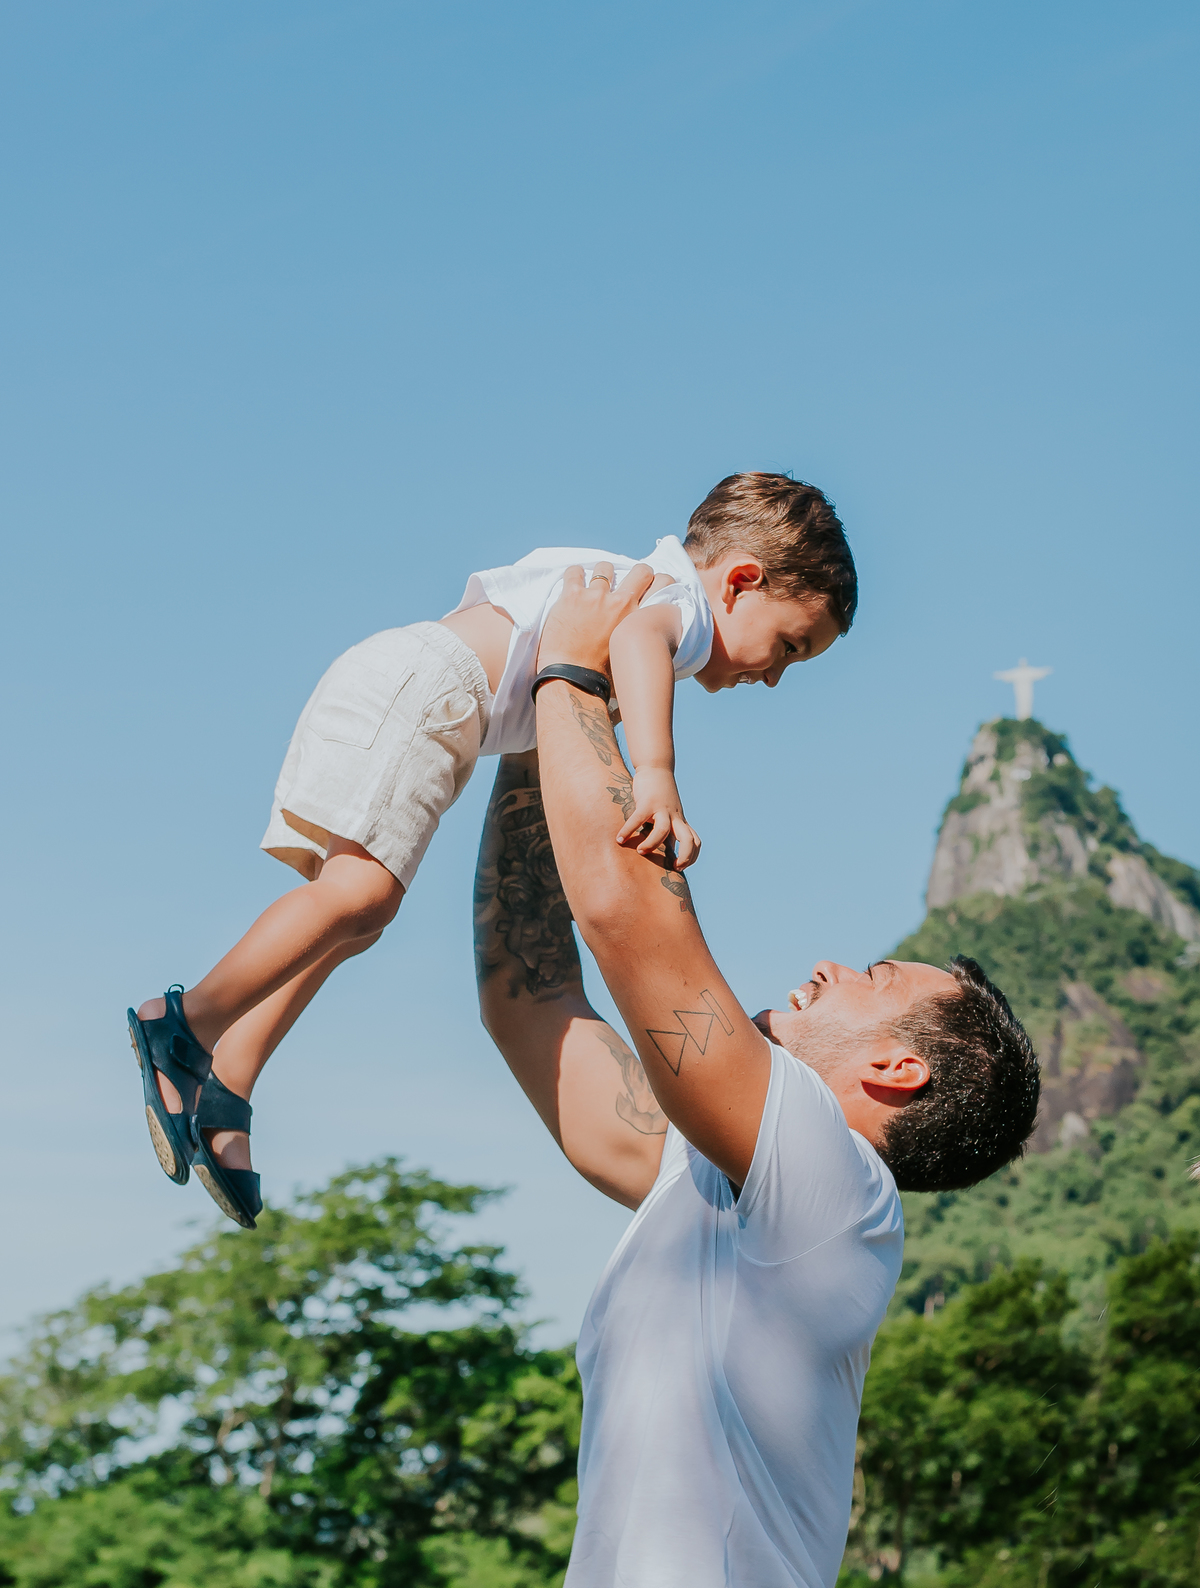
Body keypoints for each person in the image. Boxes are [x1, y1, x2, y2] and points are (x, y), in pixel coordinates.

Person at [474, 563, 1040, 1588]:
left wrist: (570, 669)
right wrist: (529, 739)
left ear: (897, 1069)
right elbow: (531, 997)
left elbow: (625, 913)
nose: (831, 964)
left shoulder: (838, 1191)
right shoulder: (710, 1186)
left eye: (873, 978)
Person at [127, 472, 858, 1228]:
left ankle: (229, 1082)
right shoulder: (671, 604)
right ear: (741, 581)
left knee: (355, 918)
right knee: (362, 896)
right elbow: (643, 640)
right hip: (430, 692)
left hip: (424, 696)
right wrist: (658, 774)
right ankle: (181, 1026)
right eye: (787, 646)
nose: (772, 676)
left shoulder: (636, 586)